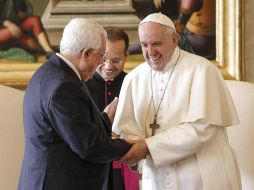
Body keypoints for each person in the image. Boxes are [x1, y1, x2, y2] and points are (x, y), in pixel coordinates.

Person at [112, 13, 242, 190]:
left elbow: (203, 130)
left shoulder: (202, 70)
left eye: (156, 43)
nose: (150, 52)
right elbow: (128, 130)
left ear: (174, 40)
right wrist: (131, 146)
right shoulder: (134, 78)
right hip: (156, 176)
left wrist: (147, 147)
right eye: (144, 45)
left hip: (200, 175)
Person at [18, 18, 131, 190]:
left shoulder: (49, 71)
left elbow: (72, 127)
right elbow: (90, 146)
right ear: (86, 53)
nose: (102, 64)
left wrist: (105, 119)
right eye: (101, 56)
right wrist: (134, 146)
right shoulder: (64, 85)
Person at [86, 26, 140, 190]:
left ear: (126, 55)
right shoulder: (80, 85)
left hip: (125, 165)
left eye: (116, 61)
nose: (109, 66)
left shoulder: (136, 83)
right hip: (90, 169)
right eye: (104, 59)